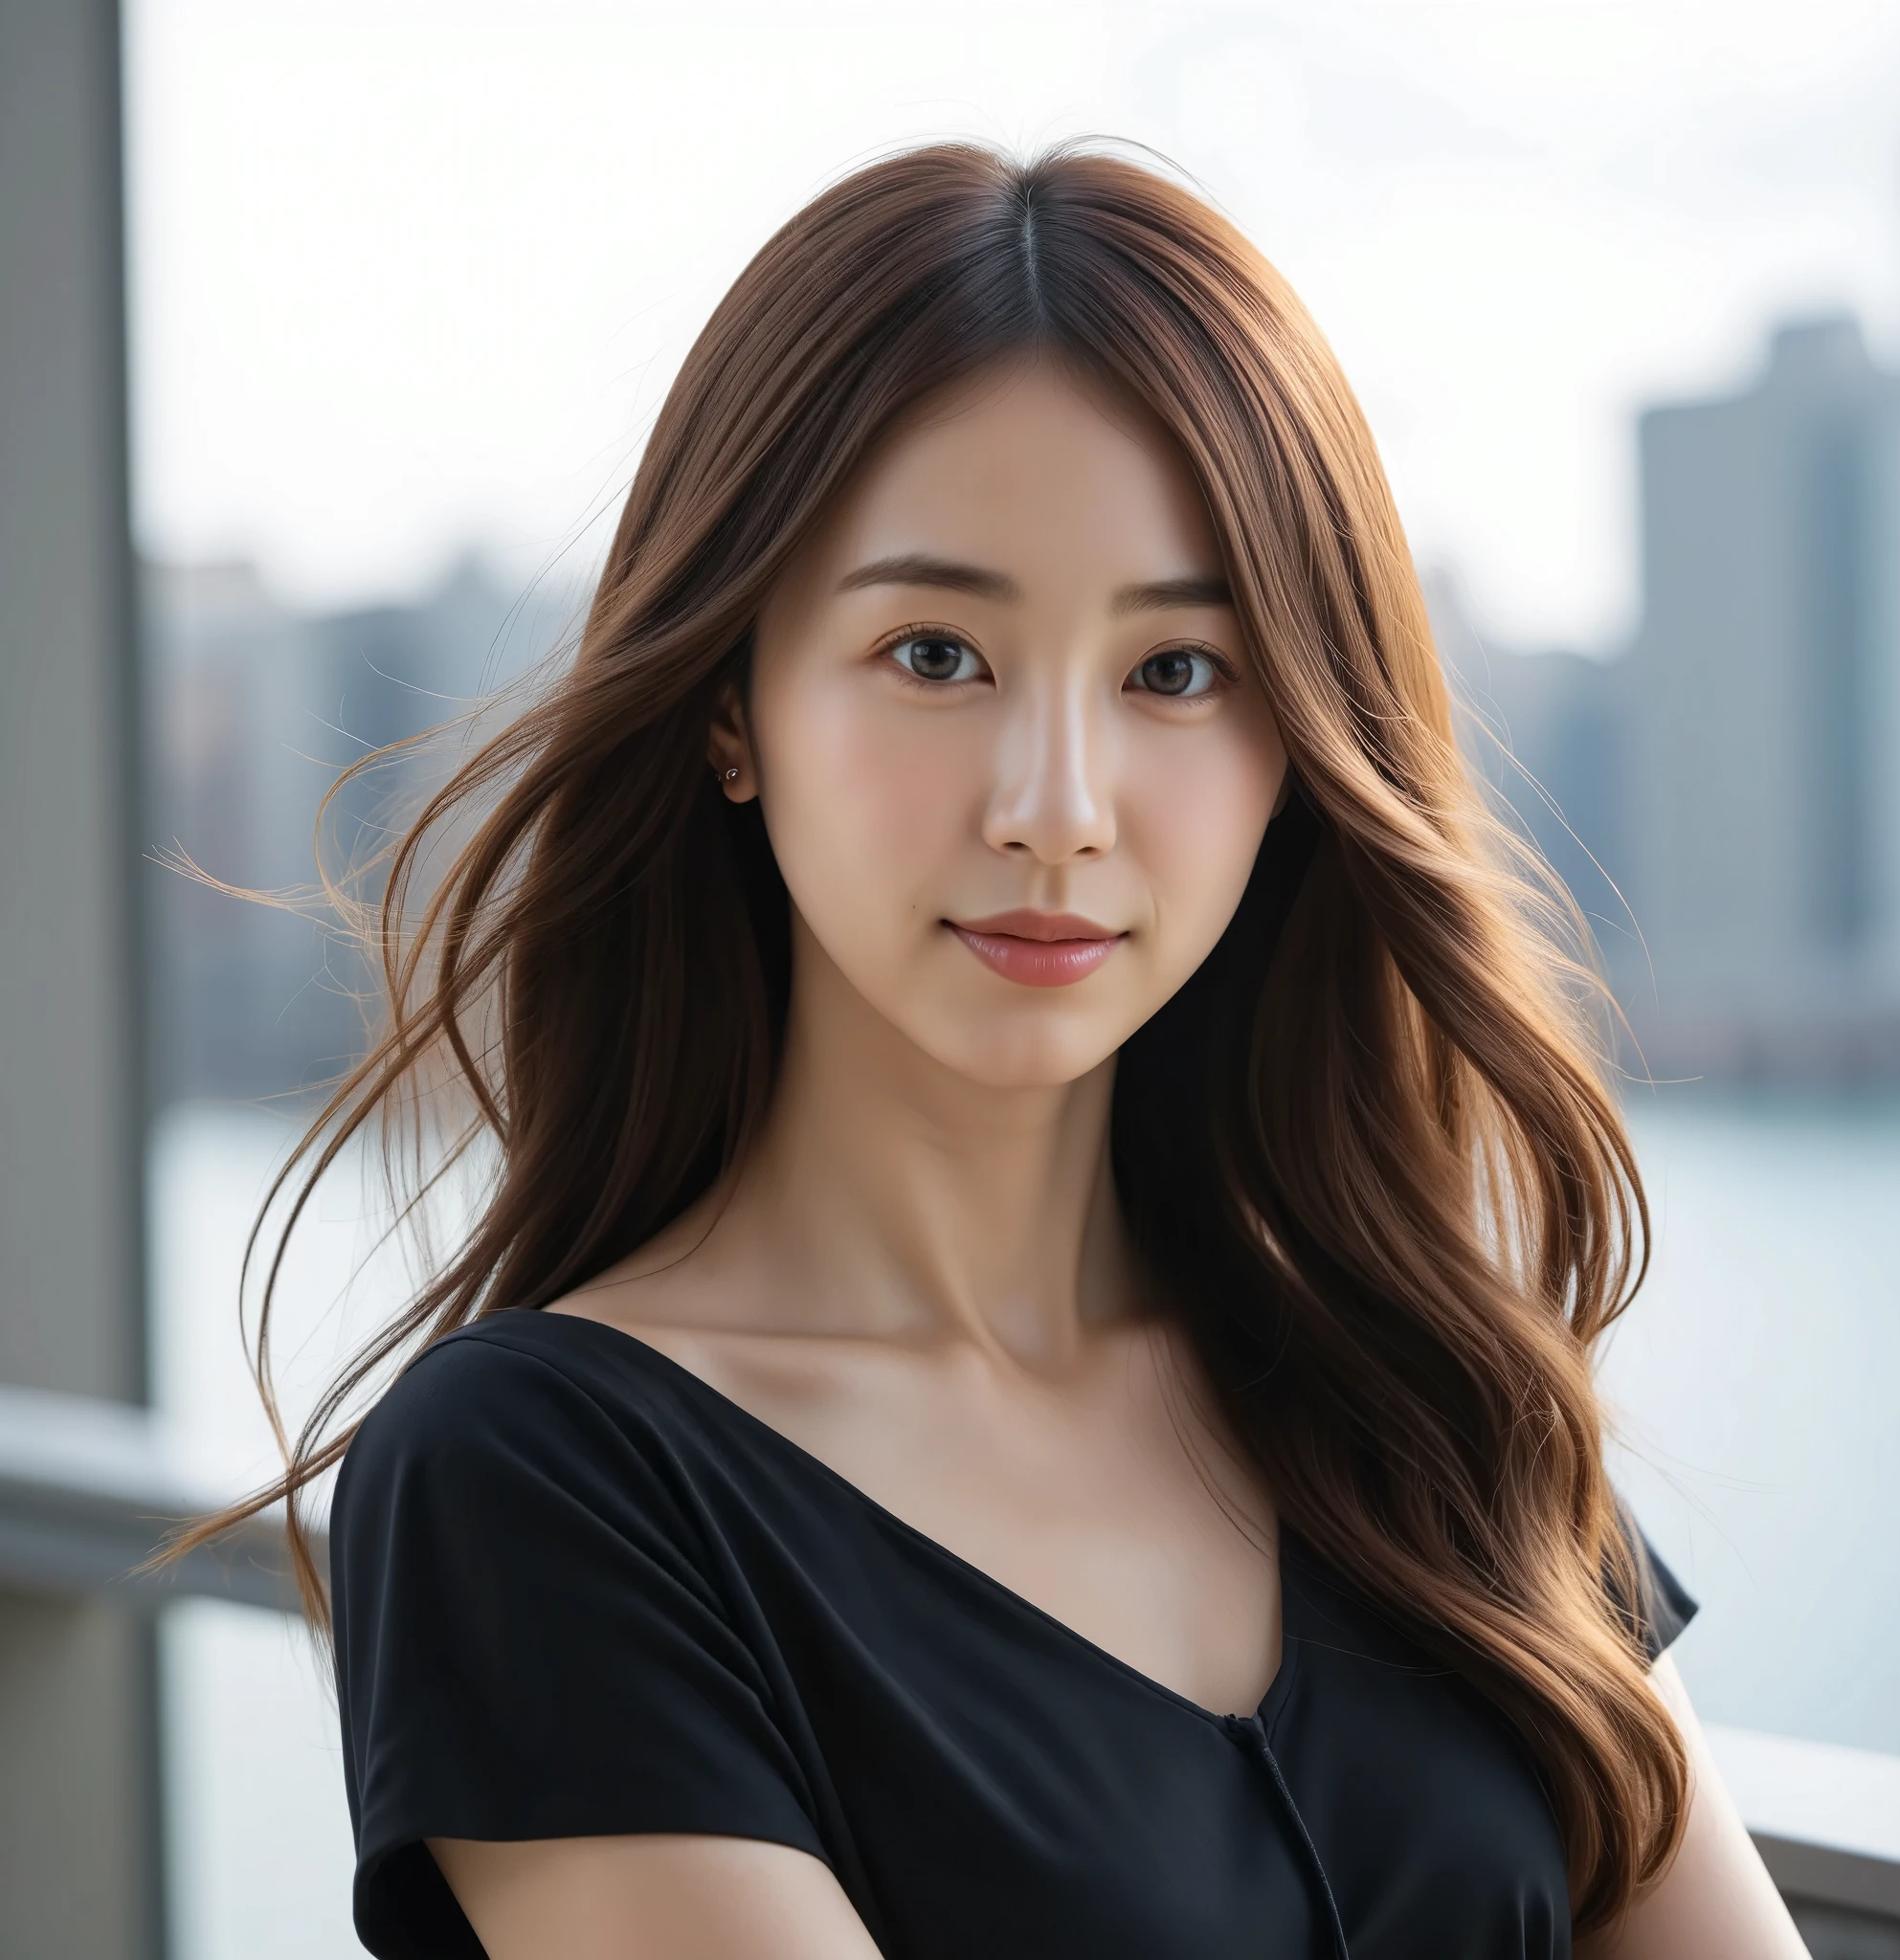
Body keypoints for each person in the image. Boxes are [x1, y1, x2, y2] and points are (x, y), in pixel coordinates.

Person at [221, 145, 1810, 1958]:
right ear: (733, 705)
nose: (1057, 811)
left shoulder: (1419, 1398)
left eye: (1178, 674)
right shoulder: (544, 1484)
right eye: (934, 653)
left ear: (1301, 738)